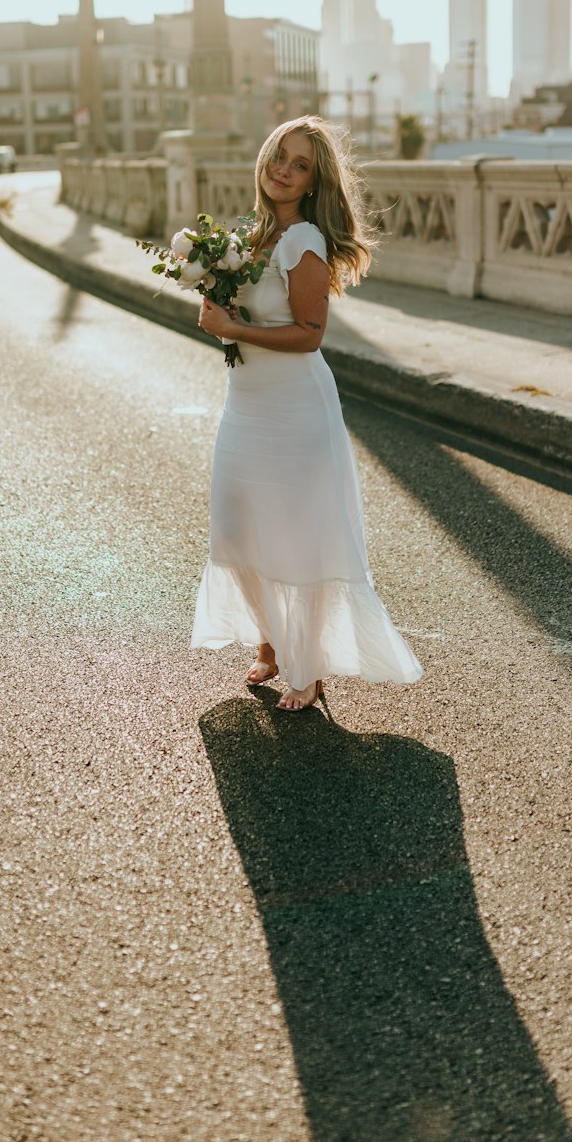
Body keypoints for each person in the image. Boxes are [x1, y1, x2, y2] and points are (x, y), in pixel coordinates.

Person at [194, 116, 424, 709]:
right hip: (245, 402)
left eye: (301, 166)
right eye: (280, 155)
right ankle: (271, 644)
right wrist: (212, 291)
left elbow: (309, 334)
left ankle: (309, 665)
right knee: (237, 525)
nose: (284, 170)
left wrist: (232, 326)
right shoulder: (253, 235)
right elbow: (237, 311)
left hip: (296, 407)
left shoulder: (303, 241)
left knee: (298, 535)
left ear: (314, 183)